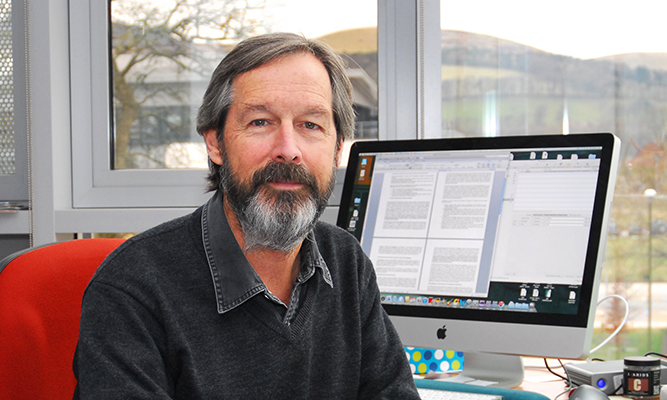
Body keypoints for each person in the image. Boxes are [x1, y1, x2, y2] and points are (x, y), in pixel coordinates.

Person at [73, 32, 420, 399]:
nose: (288, 150)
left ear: (336, 150)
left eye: (310, 125)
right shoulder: (133, 288)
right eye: (260, 122)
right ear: (215, 142)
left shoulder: (346, 262)